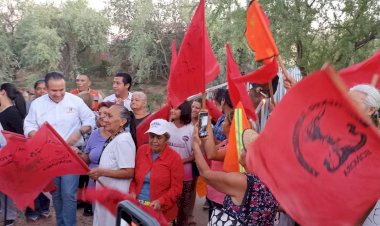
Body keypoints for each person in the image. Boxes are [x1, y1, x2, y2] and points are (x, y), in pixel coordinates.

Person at [24, 71, 95, 226]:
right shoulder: (37, 104)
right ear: (46, 88)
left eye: (61, 90)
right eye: (53, 91)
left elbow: (90, 118)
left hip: (70, 155)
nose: (58, 94)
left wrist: (80, 131)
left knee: (69, 194)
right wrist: (38, 134)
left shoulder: (75, 101)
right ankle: (61, 223)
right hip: (49, 156)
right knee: (56, 194)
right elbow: (28, 125)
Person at [193, 115, 279, 225]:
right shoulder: (271, 181)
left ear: (251, 157)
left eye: (245, 149)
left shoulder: (244, 182)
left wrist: (195, 144)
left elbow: (206, 174)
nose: (241, 150)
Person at [88, 104, 136, 226]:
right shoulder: (115, 137)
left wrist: (102, 172)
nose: (105, 118)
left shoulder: (123, 140)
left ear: (122, 122)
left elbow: (129, 172)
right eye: (105, 115)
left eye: (109, 116)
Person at [130, 119, 184, 224]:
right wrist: (132, 191)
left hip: (162, 212)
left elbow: (177, 188)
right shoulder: (141, 151)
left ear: (167, 139)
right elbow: (133, 179)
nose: (154, 140)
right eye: (151, 136)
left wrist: (161, 201)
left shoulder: (175, 158)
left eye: (159, 137)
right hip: (138, 208)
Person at [76, 101, 114, 216]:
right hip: (94, 183)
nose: (101, 116)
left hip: (113, 183)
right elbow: (87, 159)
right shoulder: (95, 134)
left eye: (106, 113)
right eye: (100, 113)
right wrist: (78, 153)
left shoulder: (123, 135)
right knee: (97, 217)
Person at [0, 83, 26, 226]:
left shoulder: (13, 113)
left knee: (6, 187)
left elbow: (19, 137)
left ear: (2, 92)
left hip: (8, 155)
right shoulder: (1, 110)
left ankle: (9, 215)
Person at [168, 100, 194, 226]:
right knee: (169, 204)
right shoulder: (167, 127)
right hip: (167, 173)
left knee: (183, 207)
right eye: (172, 108)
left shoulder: (191, 129)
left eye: (176, 109)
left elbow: (195, 155)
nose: (172, 110)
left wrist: (179, 161)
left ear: (184, 111)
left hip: (185, 175)